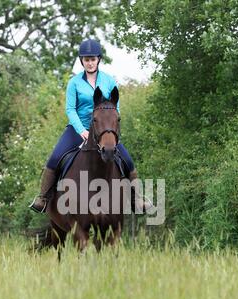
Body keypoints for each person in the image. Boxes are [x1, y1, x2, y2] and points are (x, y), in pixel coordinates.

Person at [29, 39, 152, 214]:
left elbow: (115, 109)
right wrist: (82, 131)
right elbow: (70, 109)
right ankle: (43, 198)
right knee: (55, 158)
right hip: (77, 129)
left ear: (98, 59)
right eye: (86, 59)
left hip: (104, 130)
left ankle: (136, 200)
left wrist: (112, 131)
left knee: (128, 160)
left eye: (93, 59)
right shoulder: (74, 83)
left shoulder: (109, 81)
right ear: (82, 61)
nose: (90, 62)